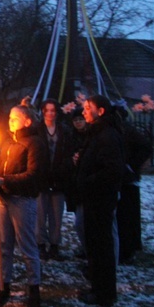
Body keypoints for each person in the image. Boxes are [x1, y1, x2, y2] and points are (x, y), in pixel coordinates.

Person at [0, 104, 47, 307]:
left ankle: (34, 290)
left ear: (27, 121)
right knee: (3, 244)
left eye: (15, 118)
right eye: (10, 117)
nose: (10, 121)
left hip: (22, 200)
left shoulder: (34, 144)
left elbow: (33, 174)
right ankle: (4, 286)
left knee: (27, 246)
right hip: (4, 199)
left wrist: (5, 180)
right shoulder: (8, 143)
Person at [76, 95, 126, 307]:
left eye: (88, 108)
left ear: (101, 111)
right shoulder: (96, 133)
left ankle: (104, 293)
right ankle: (98, 287)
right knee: (95, 245)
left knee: (101, 246)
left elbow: (112, 170)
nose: (84, 111)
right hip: (93, 198)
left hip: (100, 199)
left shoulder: (107, 135)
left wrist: (88, 180)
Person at [36, 98, 73, 261]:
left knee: (56, 215)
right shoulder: (37, 130)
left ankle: (55, 245)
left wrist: (63, 168)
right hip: (42, 178)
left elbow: (68, 152)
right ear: (43, 112)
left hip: (59, 178)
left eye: (53, 110)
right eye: (47, 110)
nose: (50, 113)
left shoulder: (64, 131)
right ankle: (40, 244)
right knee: (40, 214)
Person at [115, 105, 152, 264]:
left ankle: (128, 249)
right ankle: (124, 248)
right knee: (121, 216)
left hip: (128, 181)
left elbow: (145, 147)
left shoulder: (127, 131)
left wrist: (131, 165)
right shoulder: (118, 131)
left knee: (128, 216)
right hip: (120, 179)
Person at [68, 106, 88, 257]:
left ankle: (89, 250)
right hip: (75, 182)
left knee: (83, 221)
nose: (78, 123)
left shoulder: (91, 136)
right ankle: (85, 248)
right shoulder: (72, 136)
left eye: (81, 119)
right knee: (79, 218)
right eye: (76, 120)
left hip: (88, 181)